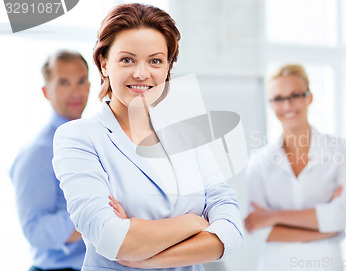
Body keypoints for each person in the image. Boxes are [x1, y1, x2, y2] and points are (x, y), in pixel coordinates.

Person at [51, 3, 244, 271]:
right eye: (127, 59)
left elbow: (233, 233)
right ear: (104, 63)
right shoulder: (78, 137)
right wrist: (195, 223)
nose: (141, 73)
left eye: (155, 61)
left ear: (167, 68)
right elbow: (111, 239)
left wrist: (147, 255)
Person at [245, 64, 346, 271]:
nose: (287, 105)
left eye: (295, 95)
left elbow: (341, 216)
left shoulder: (341, 151)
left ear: (309, 97)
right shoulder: (259, 162)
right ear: (270, 104)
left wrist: (274, 216)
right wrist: (324, 229)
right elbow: (255, 227)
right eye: (278, 98)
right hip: (276, 265)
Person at [9, 50, 90, 271]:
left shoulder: (92, 141)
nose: (76, 91)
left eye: (82, 81)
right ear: (46, 91)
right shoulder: (38, 151)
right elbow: (36, 229)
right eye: (64, 83)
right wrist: (96, 218)